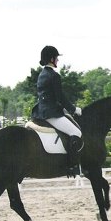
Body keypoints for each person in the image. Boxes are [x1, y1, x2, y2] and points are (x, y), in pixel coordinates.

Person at [31, 45, 83, 177]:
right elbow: (60, 98)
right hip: (51, 113)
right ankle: (72, 166)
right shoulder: (54, 76)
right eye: (57, 58)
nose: (58, 61)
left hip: (40, 111)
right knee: (76, 132)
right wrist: (74, 109)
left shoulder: (42, 74)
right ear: (52, 59)